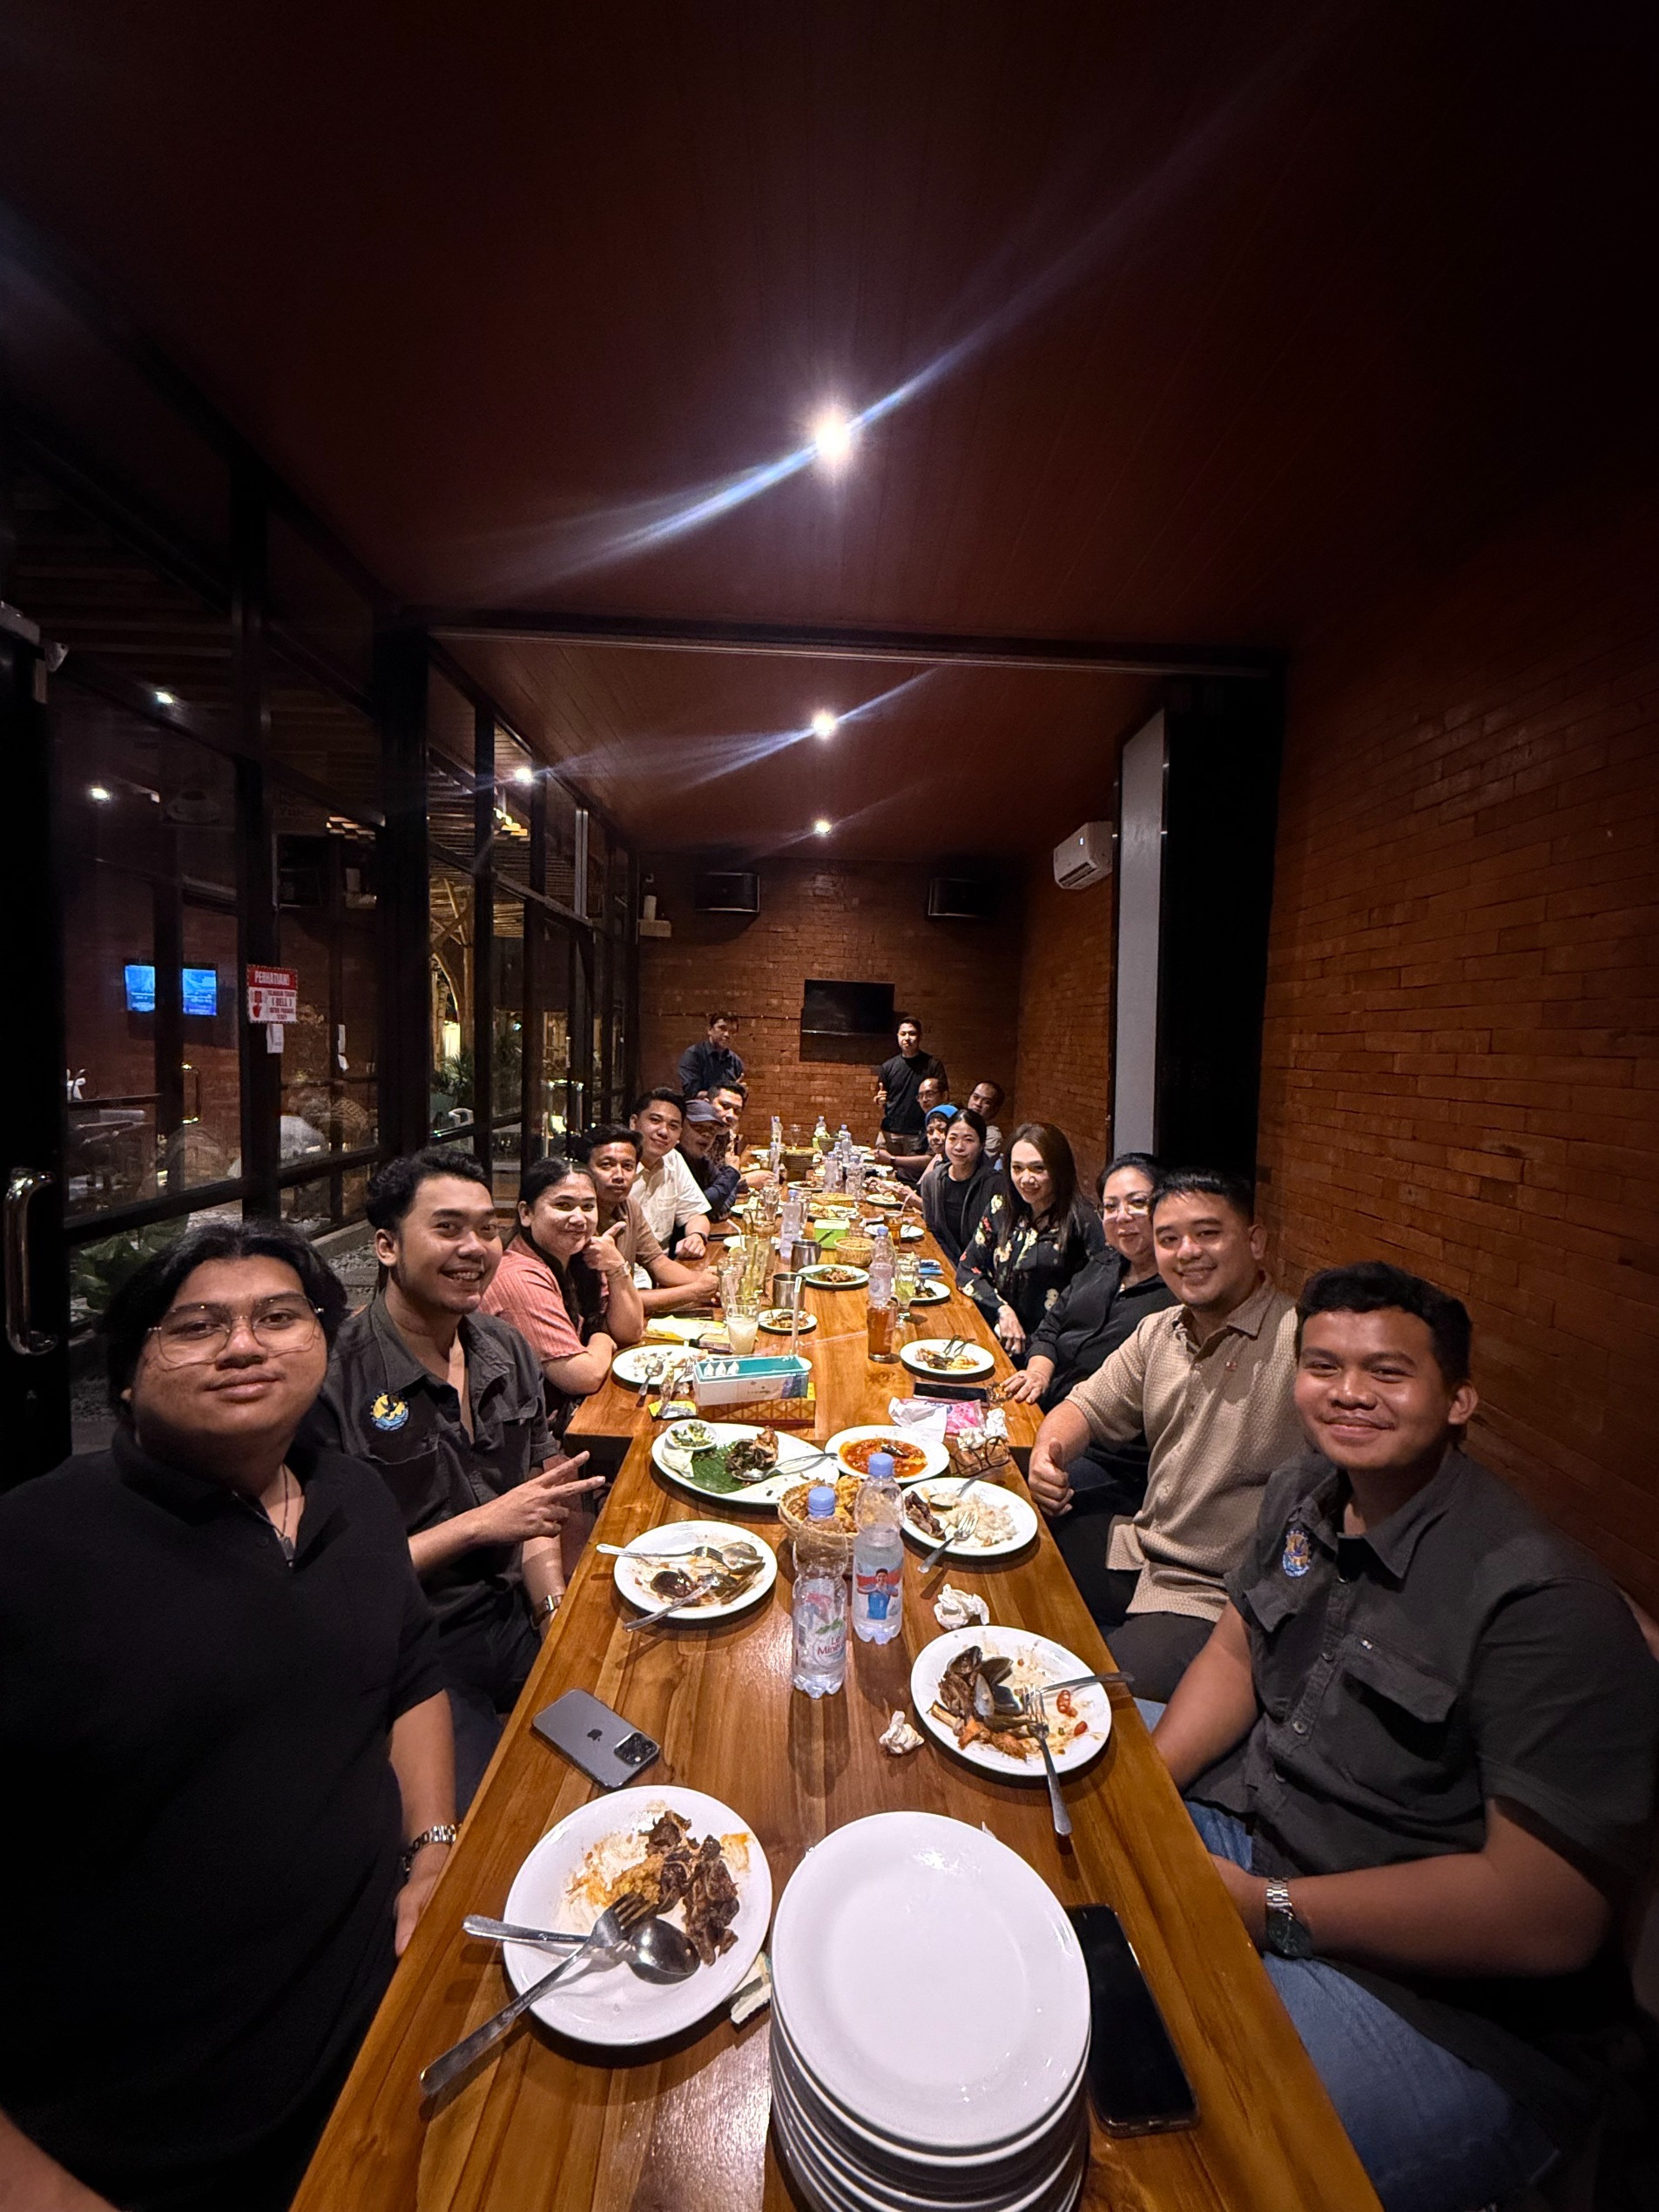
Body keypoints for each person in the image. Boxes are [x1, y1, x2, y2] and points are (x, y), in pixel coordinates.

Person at [1149, 1263, 1659, 2212]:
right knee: (1063, 1798)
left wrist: (1269, 1908)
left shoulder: (1542, 1605)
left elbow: (1545, 1915)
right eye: (1323, 1365)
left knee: (1186, 2145)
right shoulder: (1304, 1490)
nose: (1348, 1391)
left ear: (1459, 1399)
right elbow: (1234, 1647)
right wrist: (1147, 1782)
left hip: (1436, 2006)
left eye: (1387, 1371)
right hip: (1259, 1823)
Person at [0, 1219, 455, 2212]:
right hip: (156, 2140)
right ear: (128, 1376)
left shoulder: (352, 1493)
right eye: (197, 1326)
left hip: (391, 2023)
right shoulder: (32, 1548)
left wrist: (432, 1849)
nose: (244, 1345)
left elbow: (410, 1671)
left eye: (279, 1316)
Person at [313, 1149, 602, 1811]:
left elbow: (534, 1508)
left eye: (486, 1228)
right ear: (387, 1246)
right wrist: (478, 1526)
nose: (474, 1248)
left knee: (627, 1744)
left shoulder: (505, 1347)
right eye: (447, 1228)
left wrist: (552, 1613)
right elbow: (330, 1581)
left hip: (512, 1614)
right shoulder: (335, 1379)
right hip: (412, 1648)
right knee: (493, 1826)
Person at [1025, 1167, 1302, 1699]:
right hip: (1140, 1549)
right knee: (1006, 1551)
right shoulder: (1160, 1330)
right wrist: (1046, 1453)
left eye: (1208, 1233)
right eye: (1169, 1239)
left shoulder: (1300, 1343)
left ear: (1255, 1241)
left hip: (1214, 1596)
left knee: (1095, 1702)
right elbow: (1085, 1405)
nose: (1187, 1252)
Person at [1003, 1154, 1177, 1615]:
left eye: (1137, 1203)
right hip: (1046, 1413)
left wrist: (1050, 1452)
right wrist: (1039, 1371)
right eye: (1111, 1206)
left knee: (1005, 1502)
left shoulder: (1177, 1301)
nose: (1122, 1217)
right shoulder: (1102, 1265)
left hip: (1109, 1461)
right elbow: (1049, 1327)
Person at [482, 1153, 644, 1426]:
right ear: (526, 1213)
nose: (579, 1218)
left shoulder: (580, 1259)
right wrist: (602, 1339)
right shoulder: (518, 1277)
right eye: (563, 1205)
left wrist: (616, 1266)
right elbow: (583, 1376)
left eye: (588, 1206)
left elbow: (630, 1331)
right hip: (523, 1434)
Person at [956, 1121, 1106, 1357]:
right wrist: (1002, 1310)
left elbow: (1094, 1298)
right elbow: (967, 1269)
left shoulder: (1083, 1220)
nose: (1026, 1179)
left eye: (1038, 1168)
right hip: (998, 1338)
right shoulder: (1000, 1209)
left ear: (1059, 1169)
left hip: (1053, 1352)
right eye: (1017, 1168)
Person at [570, 1124, 720, 1316]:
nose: (619, 1176)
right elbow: (610, 1303)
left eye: (627, 1166)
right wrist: (696, 1291)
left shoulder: (628, 1205)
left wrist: (711, 1282)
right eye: (606, 1165)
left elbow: (657, 1262)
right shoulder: (580, 1220)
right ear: (585, 1170)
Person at [630, 1087, 711, 1257]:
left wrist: (696, 1236)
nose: (663, 1132)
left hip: (662, 1263)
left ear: (679, 1134)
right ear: (634, 1123)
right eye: (655, 1120)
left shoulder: (673, 1158)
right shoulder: (618, 1166)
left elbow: (695, 1214)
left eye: (673, 1126)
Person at [921, 1105, 997, 1263]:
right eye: (953, 1138)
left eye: (968, 1140)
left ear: (981, 1145)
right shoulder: (931, 1181)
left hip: (981, 1268)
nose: (959, 1147)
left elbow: (995, 1240)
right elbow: (933, 1233)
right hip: (942, 1265)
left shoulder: (995, 1184)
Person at [873, 1015, 947, 1154]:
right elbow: (879, 1097)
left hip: (919, 1135)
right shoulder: (887, 1066)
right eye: (903, 1034)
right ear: (897, 1036)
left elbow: (943, 1097)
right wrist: (879, 1100)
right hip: (889, 1133)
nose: (907, 1038)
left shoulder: (932, 1065)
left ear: (920, 1037)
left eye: (912, 1034)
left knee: (915, 1168)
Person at [678, 1096, 741, 1218]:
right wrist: (731, 1173)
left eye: (712, 1129)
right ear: (679, 1128)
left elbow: (724, 1196)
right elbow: (697, 1206)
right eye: (698, 1127)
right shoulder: (672, 1160)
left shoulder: (702, 1160)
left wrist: (714, 1206)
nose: (707, 1134)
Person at [677, 1011, 745, 1101]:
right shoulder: (693, 1055)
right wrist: (727, 1093)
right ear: (710, 1030)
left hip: (726, 1107)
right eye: (722, 1028)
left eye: (732, 1031)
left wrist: (741, 1092)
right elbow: (692, 1093)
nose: (727, 1035)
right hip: (699, 1107)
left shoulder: (736, 1062)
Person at [966, 1079, 1006, 1158]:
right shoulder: (958, 1124)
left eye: (987, 1102)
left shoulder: (992, 1137)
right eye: (975, 1097)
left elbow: (978, 1163)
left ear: (995, 1109)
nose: (978, 1104)